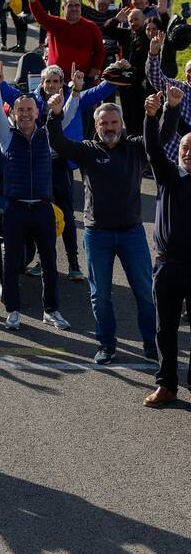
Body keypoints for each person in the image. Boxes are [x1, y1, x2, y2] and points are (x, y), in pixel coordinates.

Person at [47, 98, 156, 365]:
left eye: (114, 122)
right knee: (100, 295)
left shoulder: (135, 147)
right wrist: (56, 114)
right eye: (104, 123)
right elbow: (58, 142)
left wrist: (154, 115)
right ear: (96, 125)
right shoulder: (87, 150)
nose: (109, 127)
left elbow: (160, 136)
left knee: (144, 291)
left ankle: (153, 344)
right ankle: (106, 344)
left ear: (122, 124)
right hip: (98, 235)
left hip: (132, 233)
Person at [0, 63, 71, 332]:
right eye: (20, 110)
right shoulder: (6, 137)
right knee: (12, 262)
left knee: (49, 262)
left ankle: (51, 310)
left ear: (38, 112)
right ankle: (13, 311)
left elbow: (65, 118)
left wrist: (76, 92)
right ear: (13, 114)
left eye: (29, 110)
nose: (24, 114)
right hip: (15, 208)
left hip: (43, 209)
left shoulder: (47, 136)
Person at [143, 86, 191, 407]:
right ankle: (167, 384)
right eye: (185, 147)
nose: (188, 152)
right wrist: (153, 116)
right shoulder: (168, 175)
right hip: (167, 266)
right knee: (165, 329)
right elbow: (152, 149)